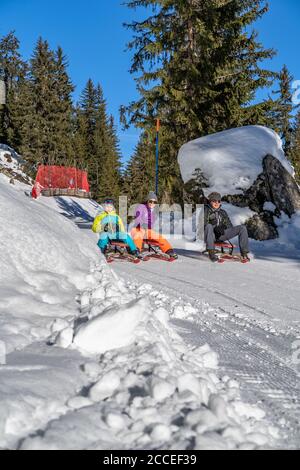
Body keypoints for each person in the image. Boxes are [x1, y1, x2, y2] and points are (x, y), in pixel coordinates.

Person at [204, 192, 250, 263]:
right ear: (210, 201)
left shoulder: (223, 212)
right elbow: (202, 225)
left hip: (221, 235)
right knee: (208, 226)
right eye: (214, 201)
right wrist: (214, 227)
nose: (216, 203)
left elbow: (229, 225)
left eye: (218, 201)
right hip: (209, 235)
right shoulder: (205, 210)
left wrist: (223, 227)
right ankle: (211, 253)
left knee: (242, 228)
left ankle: (244, 253)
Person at [131, 191, 178, 259]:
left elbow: (151, 224)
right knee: (138, 235)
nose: (152, 203)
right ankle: (136, 251)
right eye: (150, 201)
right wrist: (142, 225)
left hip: (147, 231)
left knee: (158, 236)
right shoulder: (141, 207)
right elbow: (138, 217)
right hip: (137, 229)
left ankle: (169, 251)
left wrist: (148, 228)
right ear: (147, 200)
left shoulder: (153, 212)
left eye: (154, 202)